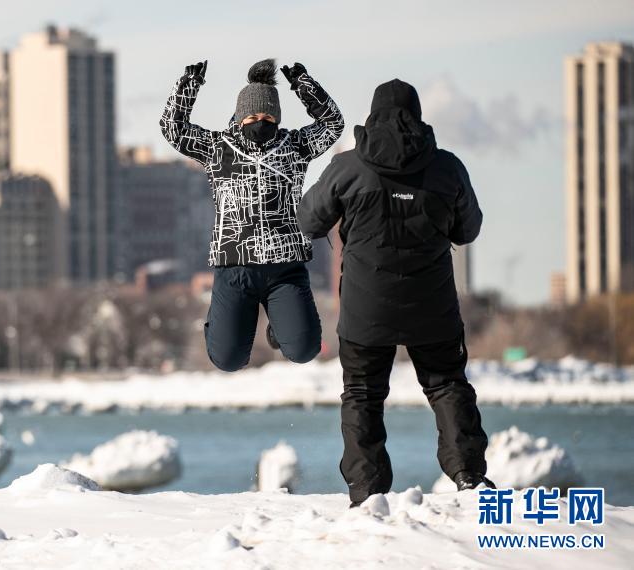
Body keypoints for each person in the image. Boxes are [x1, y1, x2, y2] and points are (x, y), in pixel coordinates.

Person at [296, 78, 494, 508]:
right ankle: (468, 476)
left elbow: (308, 221)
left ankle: (367, 494)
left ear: (371, 116)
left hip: (366, 310)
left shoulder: (347, 168)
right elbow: (469, 229)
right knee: (446, 386)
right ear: (418, 117)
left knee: (363, 395)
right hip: (433, 306)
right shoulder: (447, 167)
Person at [160, 59, 344, 372]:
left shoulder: (294, 147)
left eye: (269, 116)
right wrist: (189, 85)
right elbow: (173, 129)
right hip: (235, 266)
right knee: (228, 359)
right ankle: (225, 328)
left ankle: (280, 327)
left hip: (285, 267)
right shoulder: (218, 148)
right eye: (254, 116)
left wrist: (303, 85)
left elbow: (332, 125)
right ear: (241, 117)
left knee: (303, 349)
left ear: (278, 118)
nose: (261, 122)